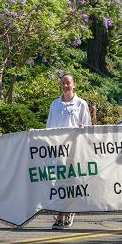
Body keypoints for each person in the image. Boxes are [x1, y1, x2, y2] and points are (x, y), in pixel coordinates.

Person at [47, 73, 92, 230]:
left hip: (74, 149)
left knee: (71, 181)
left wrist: (82, 131)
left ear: (74, 85)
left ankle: (66, 212)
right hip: (58, 149)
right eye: (63, 83)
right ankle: (63, 213)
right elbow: (49, 128)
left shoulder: (80, 103)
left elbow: (87, 127)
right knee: (59, 181)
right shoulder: (55, 104)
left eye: (68, 83)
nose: (65, 86)